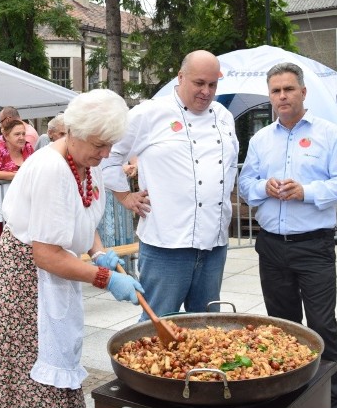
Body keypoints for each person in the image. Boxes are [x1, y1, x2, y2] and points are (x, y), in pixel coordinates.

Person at [0, 89, 143, 408]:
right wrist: (105, 278)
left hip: (51, 269)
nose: (105, 155)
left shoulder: (86, 163)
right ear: (74, 131)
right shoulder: (50, 168)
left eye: (109, 146)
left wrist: (100, 251)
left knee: (59, 355)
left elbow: (85, 219)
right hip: (26, 277)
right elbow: (46, 255)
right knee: (36, 365)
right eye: (99, 145)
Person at [238, 62, 337, 408]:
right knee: (282, 326)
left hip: (314, 245)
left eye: (289, 89)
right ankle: (289, 399)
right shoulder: (260, 140)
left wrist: (306, 191)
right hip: (271, 245)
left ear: (303, 92)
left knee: (323, 326)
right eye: (275, 91)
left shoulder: (329, 134)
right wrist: (264, 188)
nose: (282, 97)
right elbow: (245, 184)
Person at [101, 50, 239, 319]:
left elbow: (230, 166)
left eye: (212, 84)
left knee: (208, 324)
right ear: (180, 77)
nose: (206, 91)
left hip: (214, 244)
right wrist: (124, 196)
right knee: (157, 324)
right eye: (199, 83)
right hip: (166, 246)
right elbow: (107, 155)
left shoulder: (223, 116)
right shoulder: (149, 113)